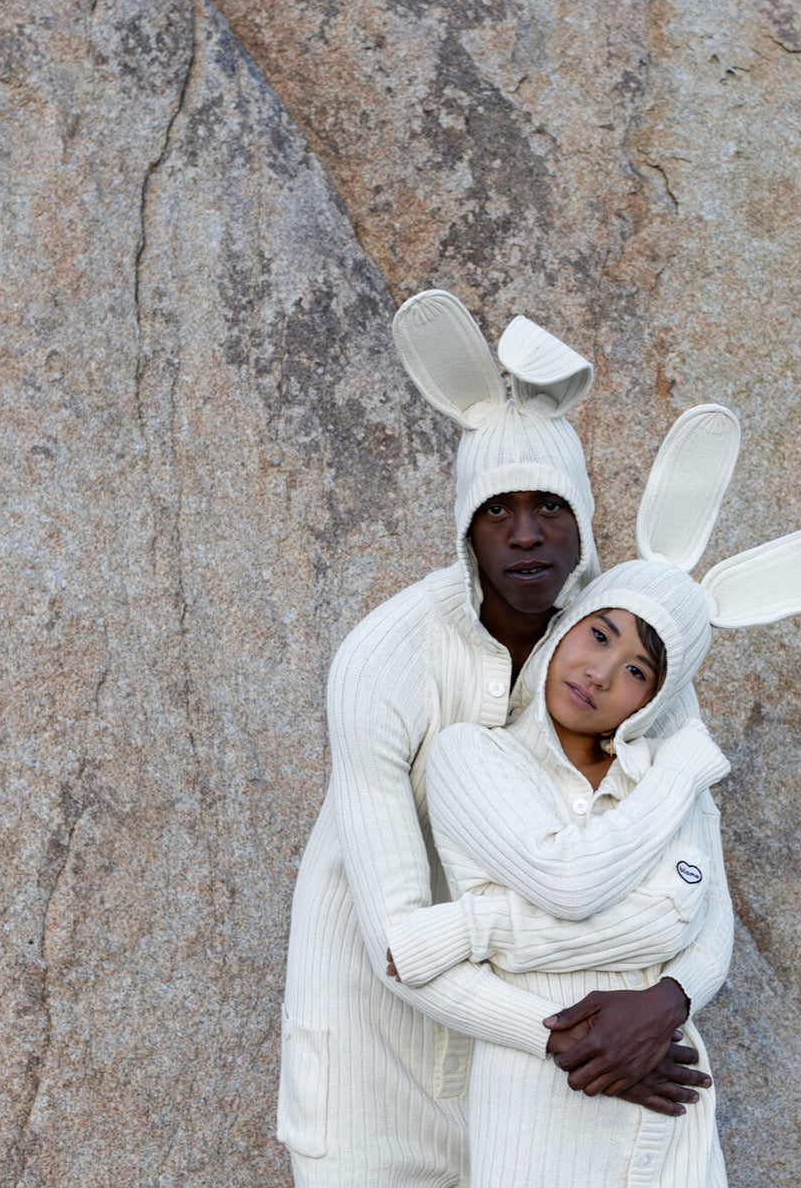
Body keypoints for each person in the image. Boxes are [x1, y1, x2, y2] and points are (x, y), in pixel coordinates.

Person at [277, 294, 731, 1187]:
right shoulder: (384, 661)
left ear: (587, 520)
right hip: (381, 1036)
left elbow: (699, 863)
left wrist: (668, 1002)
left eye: (552, 506)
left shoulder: (627, 630)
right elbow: (397, 941)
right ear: (465, 527)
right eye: (499, 510)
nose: (527, 533)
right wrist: (589, 1041)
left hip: (542, 1079)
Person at [383, 404, 801, 1187]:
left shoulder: (659, 784)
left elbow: (708, 922)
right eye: (600, 634)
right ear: (568, 623)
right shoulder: (473, 756)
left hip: (669, 1098)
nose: (602, 673)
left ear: (651, 699)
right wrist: (680, 786)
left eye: (640, 669)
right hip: (543, 1105)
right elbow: (572, 882)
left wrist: (668, 1000)